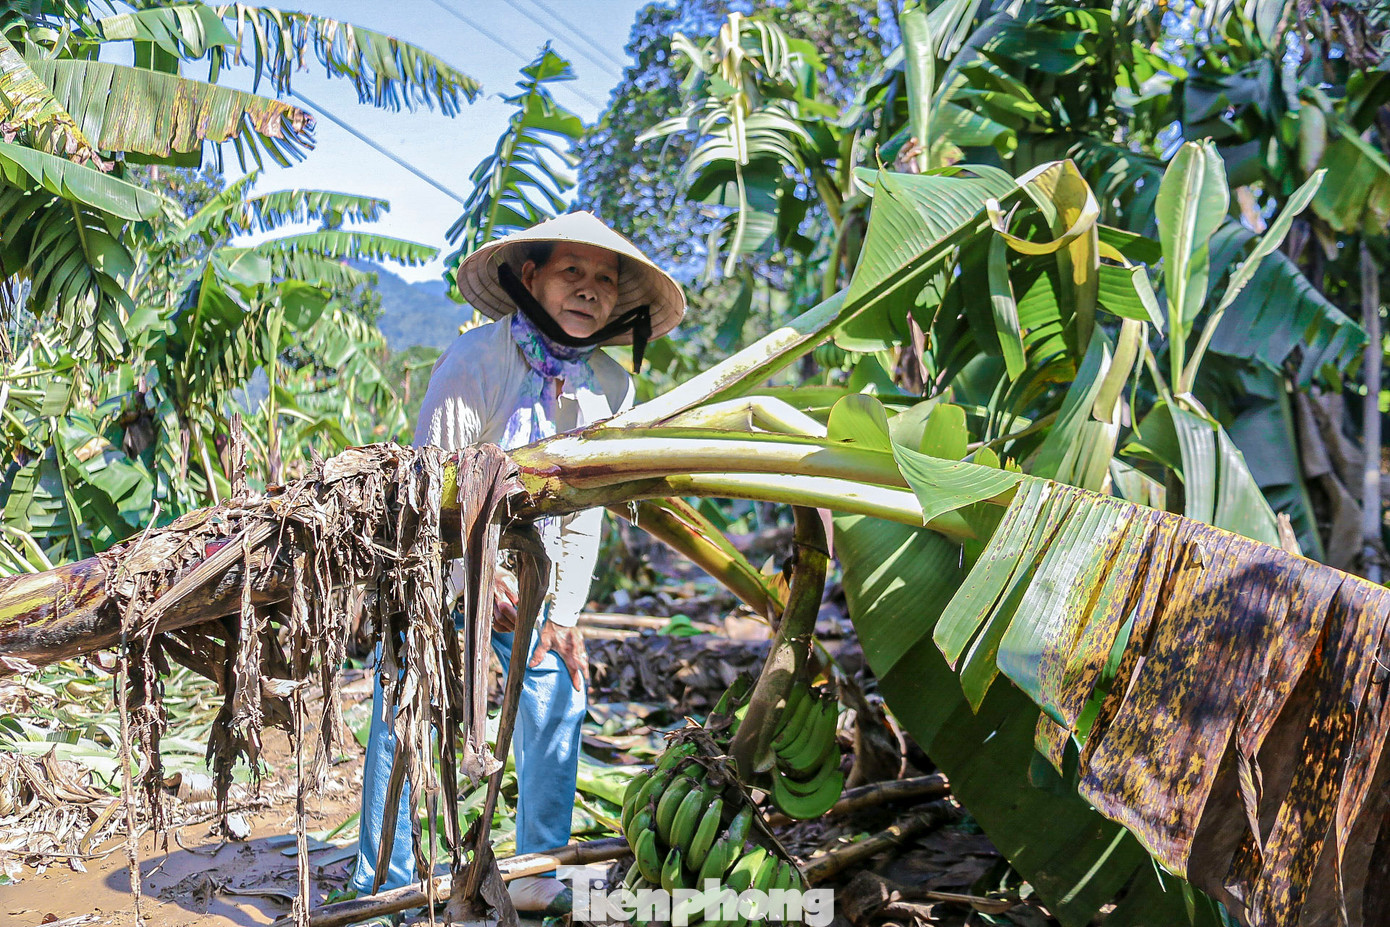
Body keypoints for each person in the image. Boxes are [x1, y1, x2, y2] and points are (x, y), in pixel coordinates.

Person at [350, 212, 686, 915]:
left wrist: (562, 613)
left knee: (559, 691)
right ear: (530, 277)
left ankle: (536, 868)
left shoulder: (610, 389)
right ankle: (383, 879)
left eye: (604, 280)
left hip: (534, 577)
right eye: (572, 272)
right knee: (404, 699)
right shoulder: (477, 361)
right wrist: (477, 575)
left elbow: (587, 510)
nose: (589, 290)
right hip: (440, 564)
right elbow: (432, 489)